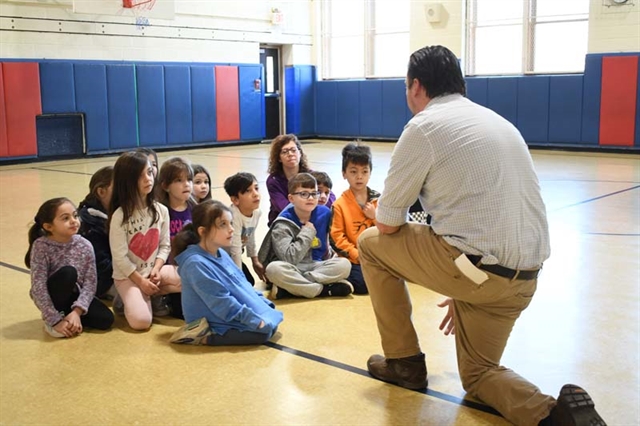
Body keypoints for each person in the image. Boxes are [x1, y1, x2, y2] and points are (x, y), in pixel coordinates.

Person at [357, 45, 605, 426]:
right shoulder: (499, 123)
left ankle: (404, 362)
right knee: (478, 375)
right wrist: (464, 281)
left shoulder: (423, 127)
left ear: (416, 87)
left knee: (371, 243)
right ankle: (554, 416)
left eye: (406, 87)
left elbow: (389, 224)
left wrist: (463, 279)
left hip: (476, 270)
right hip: (523, 277)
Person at [169, 200, 283, 346]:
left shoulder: (220, 252)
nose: (231, 229)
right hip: (209, 319)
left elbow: (243, 284)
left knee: (271, 323)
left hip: (222, 311)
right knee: (263, 333)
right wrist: (255, 320)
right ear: (202, 231)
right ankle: (204, 337)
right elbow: (221, 302)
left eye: (230, 223)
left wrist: (263, 304)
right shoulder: (195, 264)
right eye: (223, 224)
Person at [108, 151, 180, 331]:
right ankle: (124, 299)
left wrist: (156, 270)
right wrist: (141, 282)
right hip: (129, 277)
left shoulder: (161, 210)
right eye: (140, 176)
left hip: (154, 272)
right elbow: (120, 258)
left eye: (149, 172)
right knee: (141, 322)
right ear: (127, 181)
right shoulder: (120, 216)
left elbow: (165, 246)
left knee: (195, 278)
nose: (148, 179)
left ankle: (153, 293)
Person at [25, 197, 114, 338]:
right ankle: (55, 318)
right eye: (65, 218)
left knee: (106, 320)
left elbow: (90, 283)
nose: (73, 221)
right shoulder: (41, 247)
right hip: (53, 294)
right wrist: (54, 320)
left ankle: (69, 317)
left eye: (75, 215)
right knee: (68, 273)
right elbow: (38, 287)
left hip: (74, 295)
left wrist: (77, 312)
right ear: (49, 227)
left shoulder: (85, 245)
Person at [258, 173, 352, 299]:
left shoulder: (324, 213)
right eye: (303, 194)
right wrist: (307, 232)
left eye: (314, 193)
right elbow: (289, 259)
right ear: (291, 198)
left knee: (344, 265)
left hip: (315, 265)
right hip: (292, 266)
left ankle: (291, 288)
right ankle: (323, 290)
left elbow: (334, 239)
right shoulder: (283, 223)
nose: (311, 198)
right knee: (273, 269)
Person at [330, 143, 379, 295]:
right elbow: (337, 238)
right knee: (363, 285)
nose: (359, 177)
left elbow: (390, 229)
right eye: (353, 171)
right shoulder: (339, 205)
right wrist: (356, 255)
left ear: (370, 173)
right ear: (344, 173)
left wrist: (375, 217)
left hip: (378, 255)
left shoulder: (378, 200)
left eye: (365, 172)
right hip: (354, 258)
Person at [266, 134, 336, 226]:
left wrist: (317, 209)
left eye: (293, 150)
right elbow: (283, 207)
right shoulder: (274, 180)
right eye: (285, 151)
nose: (290, 154)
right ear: (279, 158)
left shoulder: (311, 175)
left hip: (312, 219)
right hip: (284, 222)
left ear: (300, 153)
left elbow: (330, 197)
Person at [156, 157, 194, 318]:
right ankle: (159, 296)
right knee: (181, 313)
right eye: (179, 180)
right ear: (165, 186)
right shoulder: (160, 212)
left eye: (189, 180)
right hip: (168, 268)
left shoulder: (196, 209)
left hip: (190, 266)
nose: (186, 184)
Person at [78, 166, 115, 300]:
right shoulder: (90, 224)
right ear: (101, 191)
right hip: (104, 282)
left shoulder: (117, 213)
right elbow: (102, 266)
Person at [223, 172, 265, 286]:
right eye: (248, 191)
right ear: (235, 200)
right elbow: (235, 248)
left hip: (231, 256)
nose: (256, 194)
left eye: (256, 188)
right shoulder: (233, 215)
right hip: (219, 257)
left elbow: (250, 237)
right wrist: (239, 278)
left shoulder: (256, 212)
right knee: (240, 283)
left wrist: (255, 261)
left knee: (249, 282)